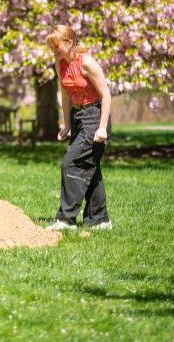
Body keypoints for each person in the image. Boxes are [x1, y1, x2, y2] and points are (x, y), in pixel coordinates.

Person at [45, 25, 113, 231]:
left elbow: (106, 95)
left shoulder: (88, 63)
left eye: (57, 47)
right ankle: (100, 220)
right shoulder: (60, 64)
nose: (54, 51)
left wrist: (102, 128)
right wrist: (66, 124)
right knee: (90, 167)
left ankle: (66, 219)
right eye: (51, 48)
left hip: (95, 115)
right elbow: (65, 95)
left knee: (71, 163)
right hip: (78, 117)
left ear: (70, 42)